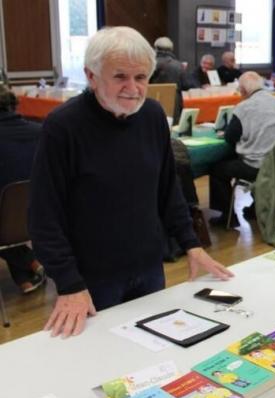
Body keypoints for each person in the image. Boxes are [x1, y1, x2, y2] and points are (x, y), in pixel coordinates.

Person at [28, 26, 232, 339]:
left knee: (151, 352)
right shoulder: (62, 127)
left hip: (149, 265)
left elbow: (168, 190)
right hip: (91, 277)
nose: (133, 88)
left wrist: (192, 244)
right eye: (120, 77)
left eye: (141, 78)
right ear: (92, 76)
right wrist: (69, 283)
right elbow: (44, 216)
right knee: (98, 362)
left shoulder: (151, 116)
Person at [209, 71, 275, 227]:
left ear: (242, 91)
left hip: (258, 166)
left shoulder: (244, 108)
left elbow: (230, 138)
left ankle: (228, 216)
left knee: (217, 169)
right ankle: (255, 208)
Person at [0, 85, 46, 294]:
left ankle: (30, 265)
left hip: (9, 223)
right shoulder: (41, 131)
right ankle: (29, 269)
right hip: (43, 217)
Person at [149, 36, 188, 121]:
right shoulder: (179, 65)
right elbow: (186, 85)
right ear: (171, 49)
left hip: (152, 101)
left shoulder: (149, 64)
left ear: (155, 48)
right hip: (174, 103)